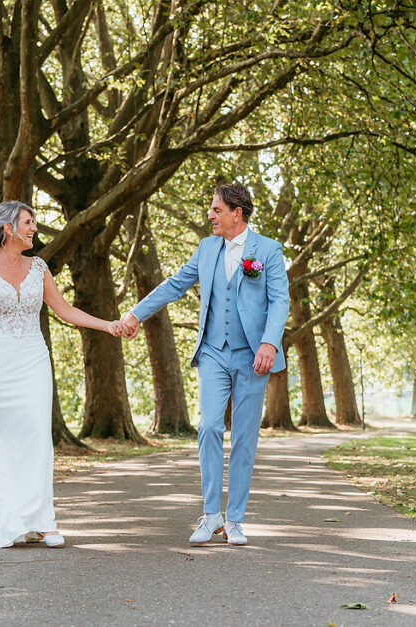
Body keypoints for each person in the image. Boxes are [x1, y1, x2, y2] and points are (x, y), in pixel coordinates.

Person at [0, 200, 122, 549]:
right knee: (2, 441)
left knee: (38, 437)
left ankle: (43, 521)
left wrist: (109, 325)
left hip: (33, 360)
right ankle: (8, 522)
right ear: (8, 229)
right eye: (28, 222)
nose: (34, 228)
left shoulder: (39, 267)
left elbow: (65, 311)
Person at [121, 183, 289, 546]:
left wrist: (268, 343)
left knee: (244, 437)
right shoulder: (206, 247)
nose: (210, 216)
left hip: (252, 355)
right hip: (213, 351)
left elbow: (280, 302)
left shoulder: (269, 251)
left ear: (236, 214)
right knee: (210, 426)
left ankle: (236, 520)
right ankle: (211, 513)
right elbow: (175, 285)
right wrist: (136, 313)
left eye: (216, 210)